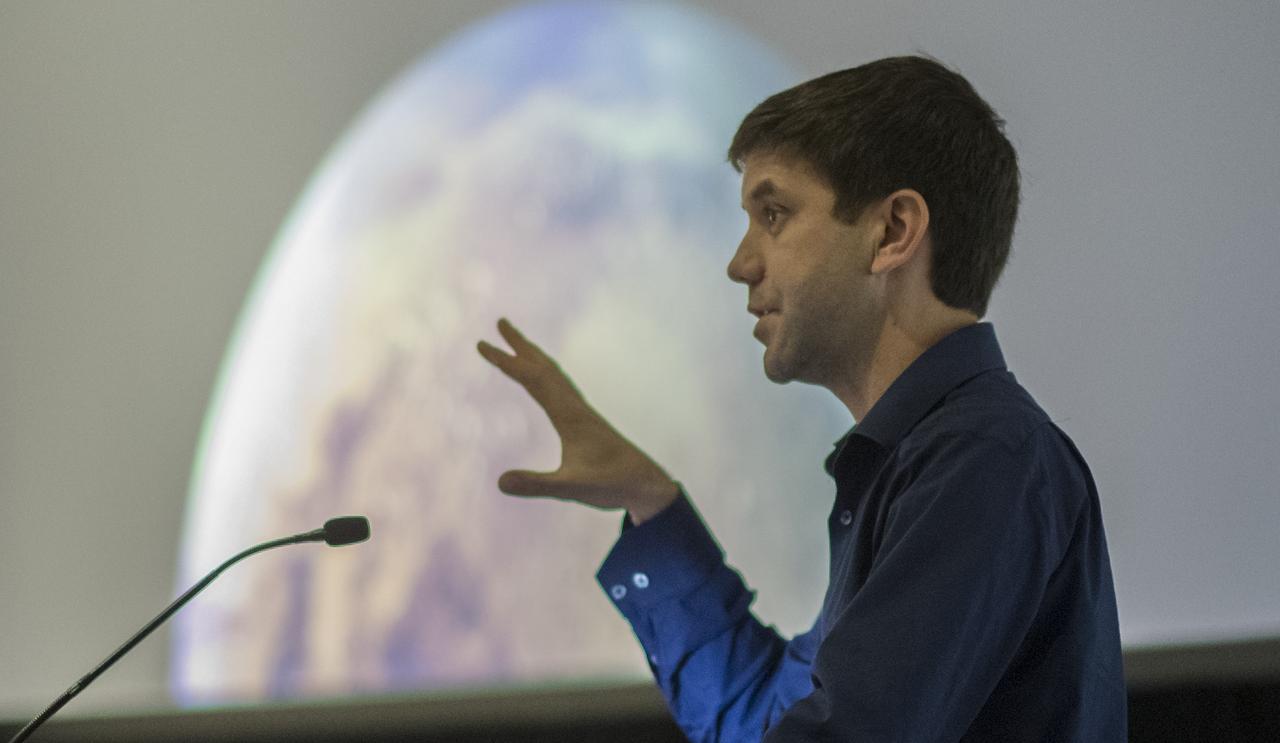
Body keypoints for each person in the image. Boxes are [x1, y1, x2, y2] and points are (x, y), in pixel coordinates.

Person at [476, 55, 1126, 742]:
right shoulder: (931, 461)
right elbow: (765, 718)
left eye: (774, 213)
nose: (740, 262)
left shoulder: (984, 459)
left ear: (893, 231)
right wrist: (650, 501)